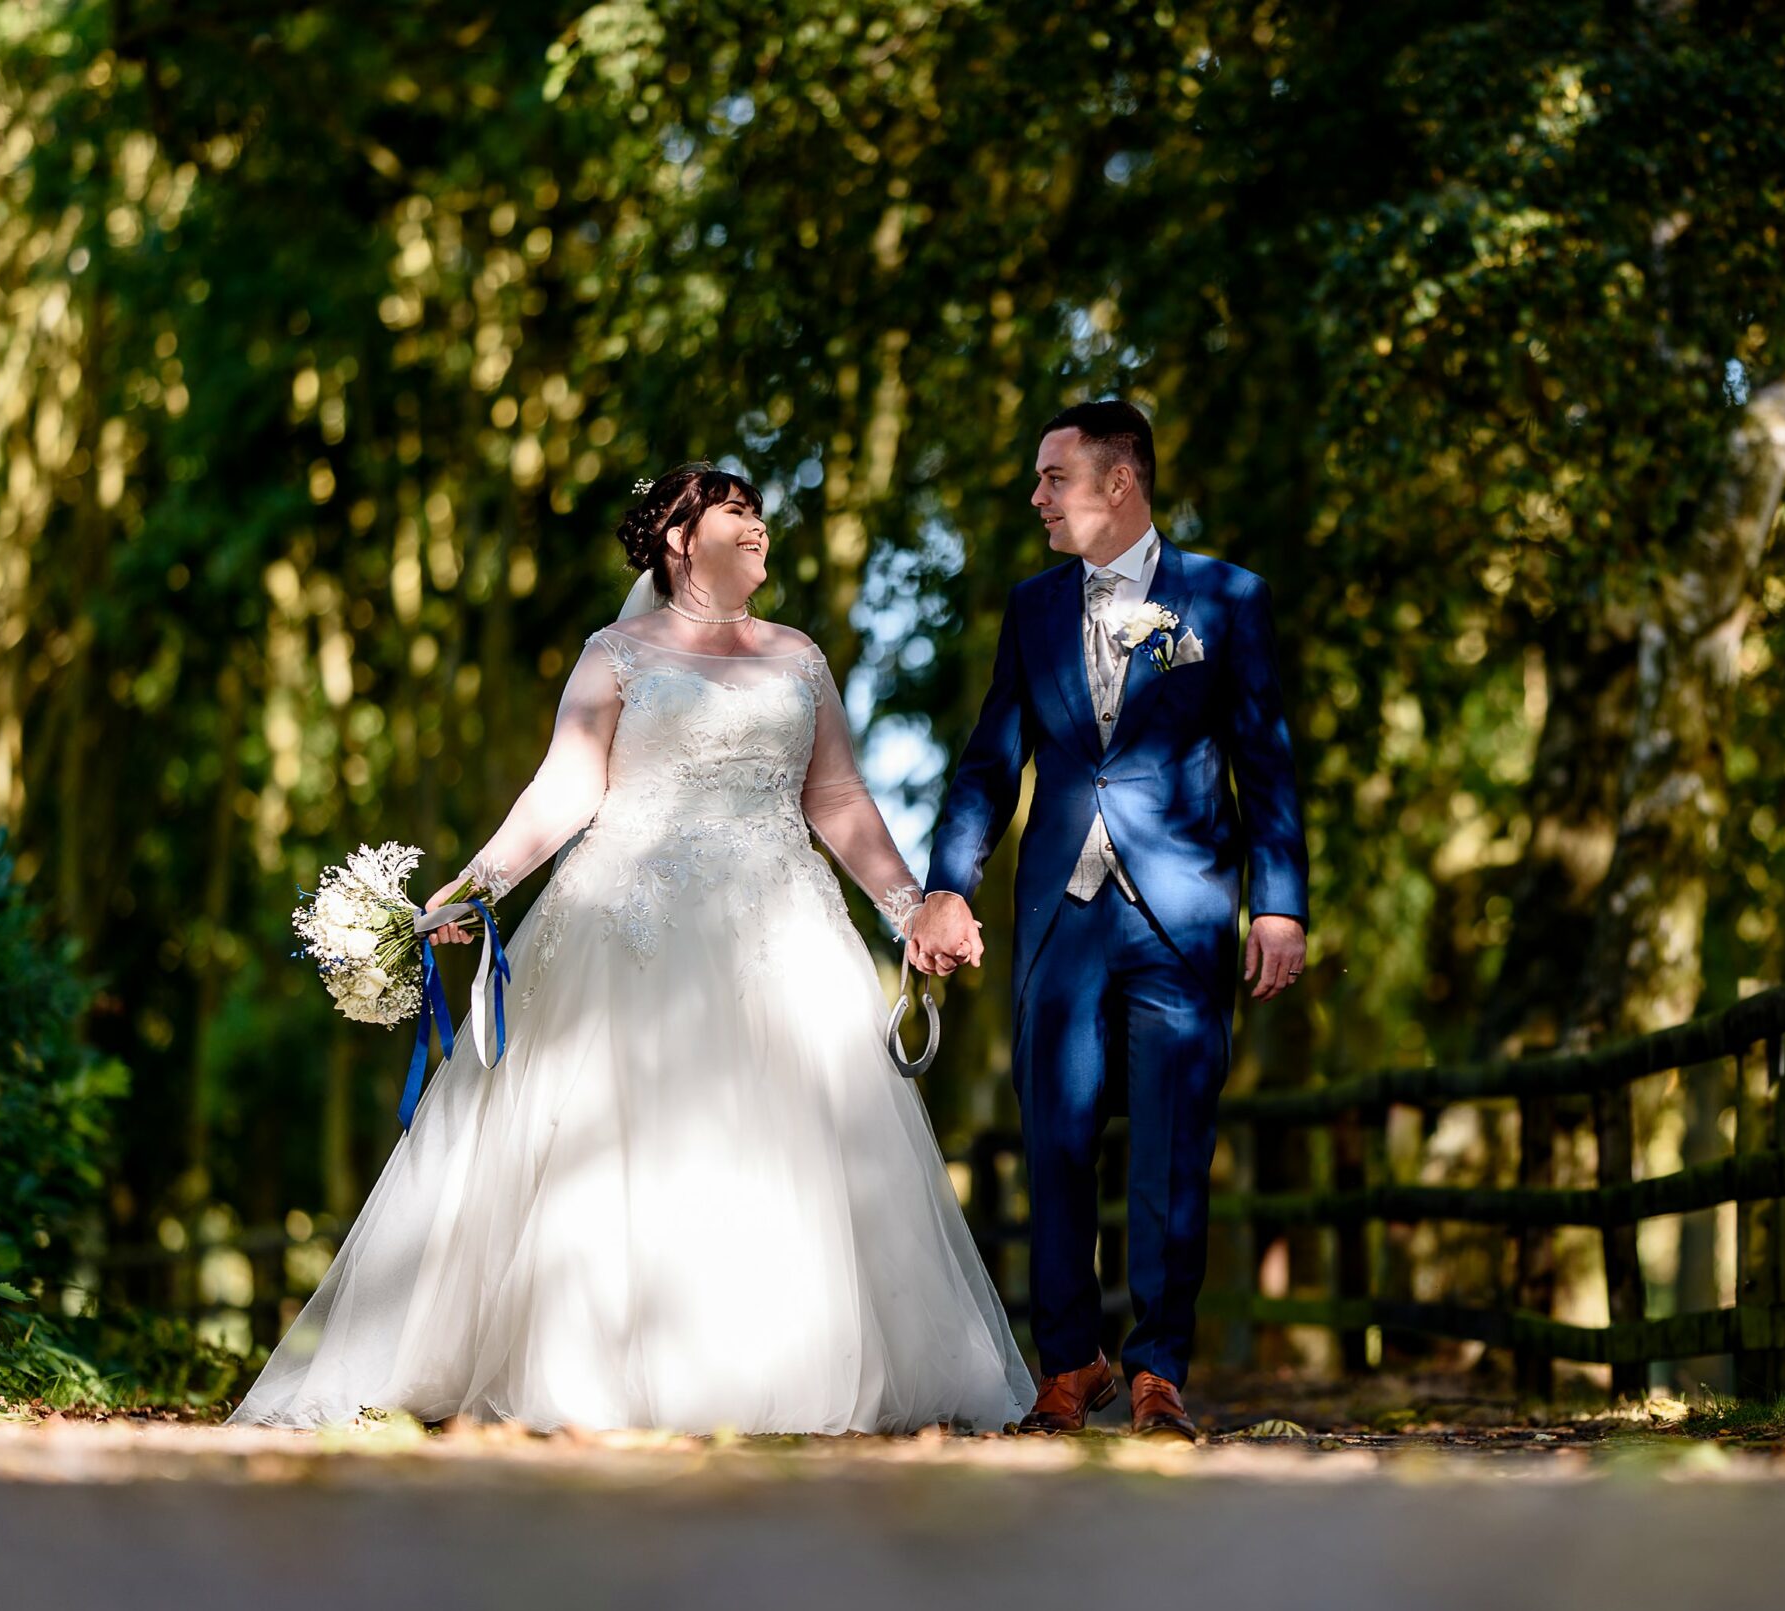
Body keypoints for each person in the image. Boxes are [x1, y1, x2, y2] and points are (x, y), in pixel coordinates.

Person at [228, 463, 1034, 1435]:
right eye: (740, 511)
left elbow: (837, 798)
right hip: (629, 924)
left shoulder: (798, 656)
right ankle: (607, 1366)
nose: (762, 528)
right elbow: (564, 791)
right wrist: (479, 885)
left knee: (790, 1141)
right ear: (680, 537)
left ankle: (763, 1364)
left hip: (781, 926)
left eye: (762, 514)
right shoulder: (616, 652)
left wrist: (911, 907)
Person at [908, 401, 1310, 1440]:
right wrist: (947, 882)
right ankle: (1068, 1363)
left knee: (1172, 1144)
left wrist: (1278, 902)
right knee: (1056, 1137)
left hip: (1179, 913)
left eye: (1053, 477)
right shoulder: (1033, 608)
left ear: (1116, 483)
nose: (1035, 497)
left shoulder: (1226, 599)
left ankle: (1157, 1368)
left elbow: (1264, 763)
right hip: (1060, 916)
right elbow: (991, 762)